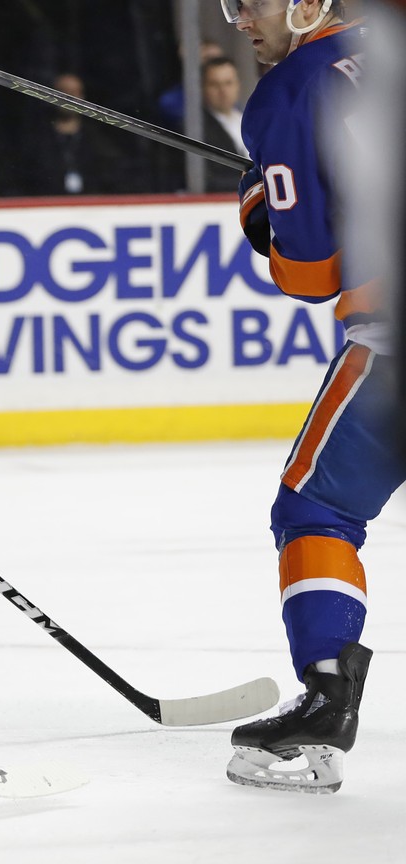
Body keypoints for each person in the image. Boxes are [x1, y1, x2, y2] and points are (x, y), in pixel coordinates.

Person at [218, 0, 399, 794]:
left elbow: (311, 272)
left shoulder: (289, 89)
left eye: (249, 2)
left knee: (315, 508)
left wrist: (265, 212)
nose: (237, 21)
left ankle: (327, 699)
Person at [0, 72, 137, 197]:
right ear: (51, 97)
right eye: (63, 93)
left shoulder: (99, 140)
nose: (69, 99)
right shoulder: (35, 141)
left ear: (82, 97)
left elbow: (116, 180)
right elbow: (21, 181)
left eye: (74, 93)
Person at [192, 56, 249, 190]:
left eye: (228, 83)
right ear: (202, 88)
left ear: (238, 84)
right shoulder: (195, 128)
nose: (223, 91)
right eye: (214, 84)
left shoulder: (249, 118)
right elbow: (206, 179)